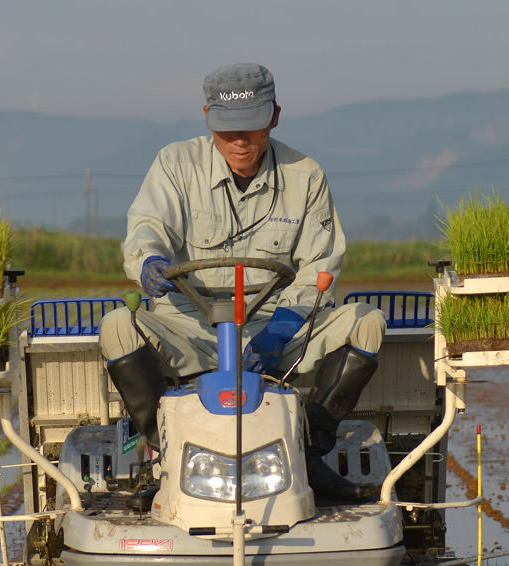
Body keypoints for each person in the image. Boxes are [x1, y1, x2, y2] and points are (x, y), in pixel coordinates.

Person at [98, 62, 386, 504]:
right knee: (118, 325)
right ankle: (168, 457)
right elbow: (147, 226)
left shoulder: (305, 175)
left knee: (366, 321)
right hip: (190, 327)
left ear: (273, 117)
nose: (239, 141)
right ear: (208, 118)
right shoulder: (175, 164)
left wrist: (280, 329)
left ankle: (309, 454)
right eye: (227, 129)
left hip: (276, 331)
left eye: (250, 128)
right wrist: (150, 260)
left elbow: (318, 267)